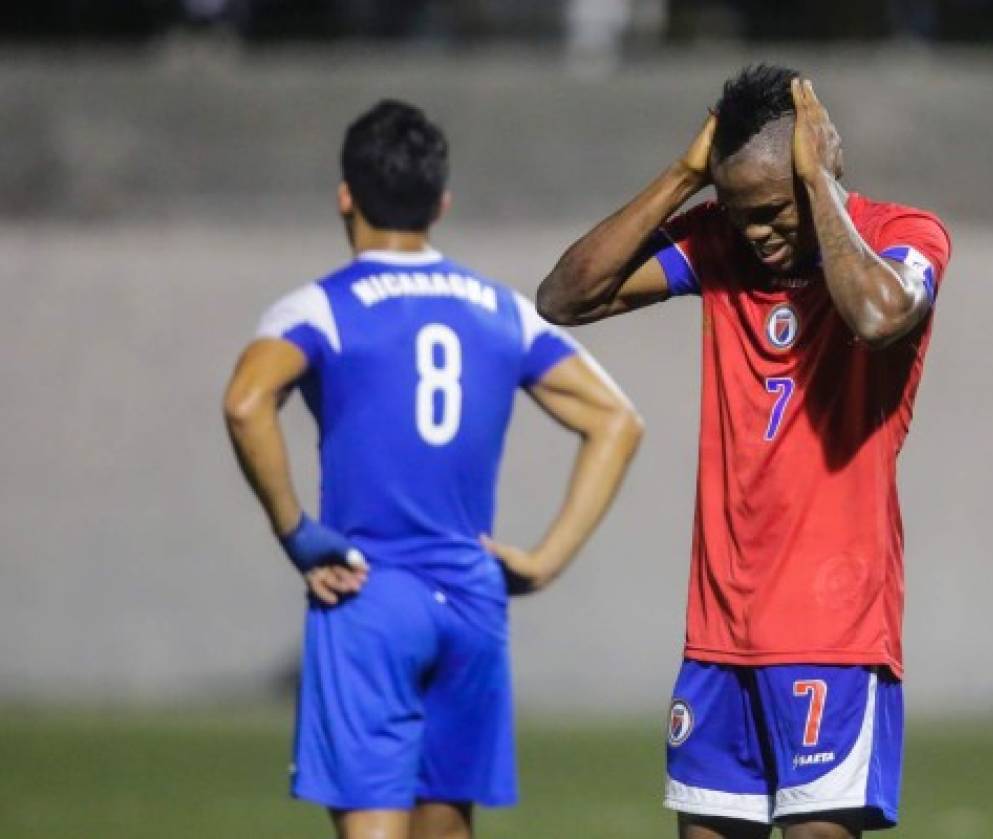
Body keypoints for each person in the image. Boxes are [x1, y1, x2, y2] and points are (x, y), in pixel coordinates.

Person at [536, 64, 952, 838]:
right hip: (719, 631)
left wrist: (820, 185)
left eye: (768, 209)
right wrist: (686, 174)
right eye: (734, 210)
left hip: (833, 630)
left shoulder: (905, 236)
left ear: (813, 172)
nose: (754, 232)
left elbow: (874, 315)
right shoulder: (719, 247)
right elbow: (567, 297)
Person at [222, 99, 643, 839]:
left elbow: (246, 401)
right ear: (440, 202)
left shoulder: (321, 307)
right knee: (447, 826)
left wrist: (294, 530)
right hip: (471, 598)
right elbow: (616, 419)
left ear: (345, 194)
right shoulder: (502, 309)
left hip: (368, 589)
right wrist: (544, 560)